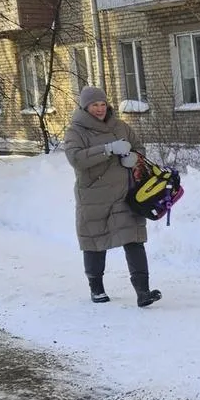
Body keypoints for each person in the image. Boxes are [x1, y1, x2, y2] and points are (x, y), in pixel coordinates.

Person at [63, 85, 161, 307]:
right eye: (94, 105)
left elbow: (138, 148)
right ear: (85, 107)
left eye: (102, 104)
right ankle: (96, 288)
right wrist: (107, 150)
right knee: (95, 241)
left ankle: (143, 292)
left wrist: (134, 158)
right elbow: (76, 159)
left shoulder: (121, 126)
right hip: (94, 195)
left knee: (134, 239)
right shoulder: (76, 131)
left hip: (125, 194)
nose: (99, 109)